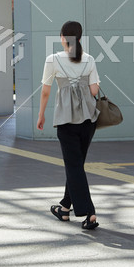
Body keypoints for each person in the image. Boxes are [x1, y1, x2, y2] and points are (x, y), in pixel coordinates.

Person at [37, 21, 100, 230]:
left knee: (73, 166)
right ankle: (65, 207)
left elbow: (45, 91)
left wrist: (41, 115)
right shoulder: (89, 59)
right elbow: (93, 91)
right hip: (88, 121)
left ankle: (89, 212)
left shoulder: (52, 59)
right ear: (80, 38)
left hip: (65, 120)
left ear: (62, 37)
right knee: (76, 165)